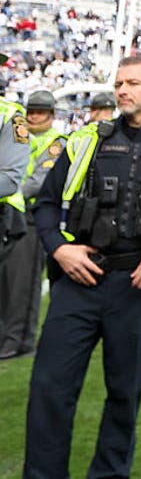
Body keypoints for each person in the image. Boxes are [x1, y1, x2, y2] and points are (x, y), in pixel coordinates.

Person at [24, 55, 141, 477]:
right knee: (50, 389)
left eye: (132, 83)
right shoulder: (84, 140)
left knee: (125, 395)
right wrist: (60, 250)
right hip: (78, 280)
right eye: (118, 83)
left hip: (138, 287)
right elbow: (46, 204)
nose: (122, 90)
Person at [0, 91, 65, 359]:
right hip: (12, 211)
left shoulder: (56, 142)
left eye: (41, 112)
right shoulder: (19, 134)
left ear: (52, 115)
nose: (34, 116)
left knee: (22, 281)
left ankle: (20, 340)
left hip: (34, 216)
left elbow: (39, 180)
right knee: (6, 280)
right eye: (32, 111)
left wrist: (11, 192)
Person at [0, 71, 31, 360]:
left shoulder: (12, 117)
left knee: (15, 289)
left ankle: (14, 340)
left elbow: (10, 179)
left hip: (6, 215)